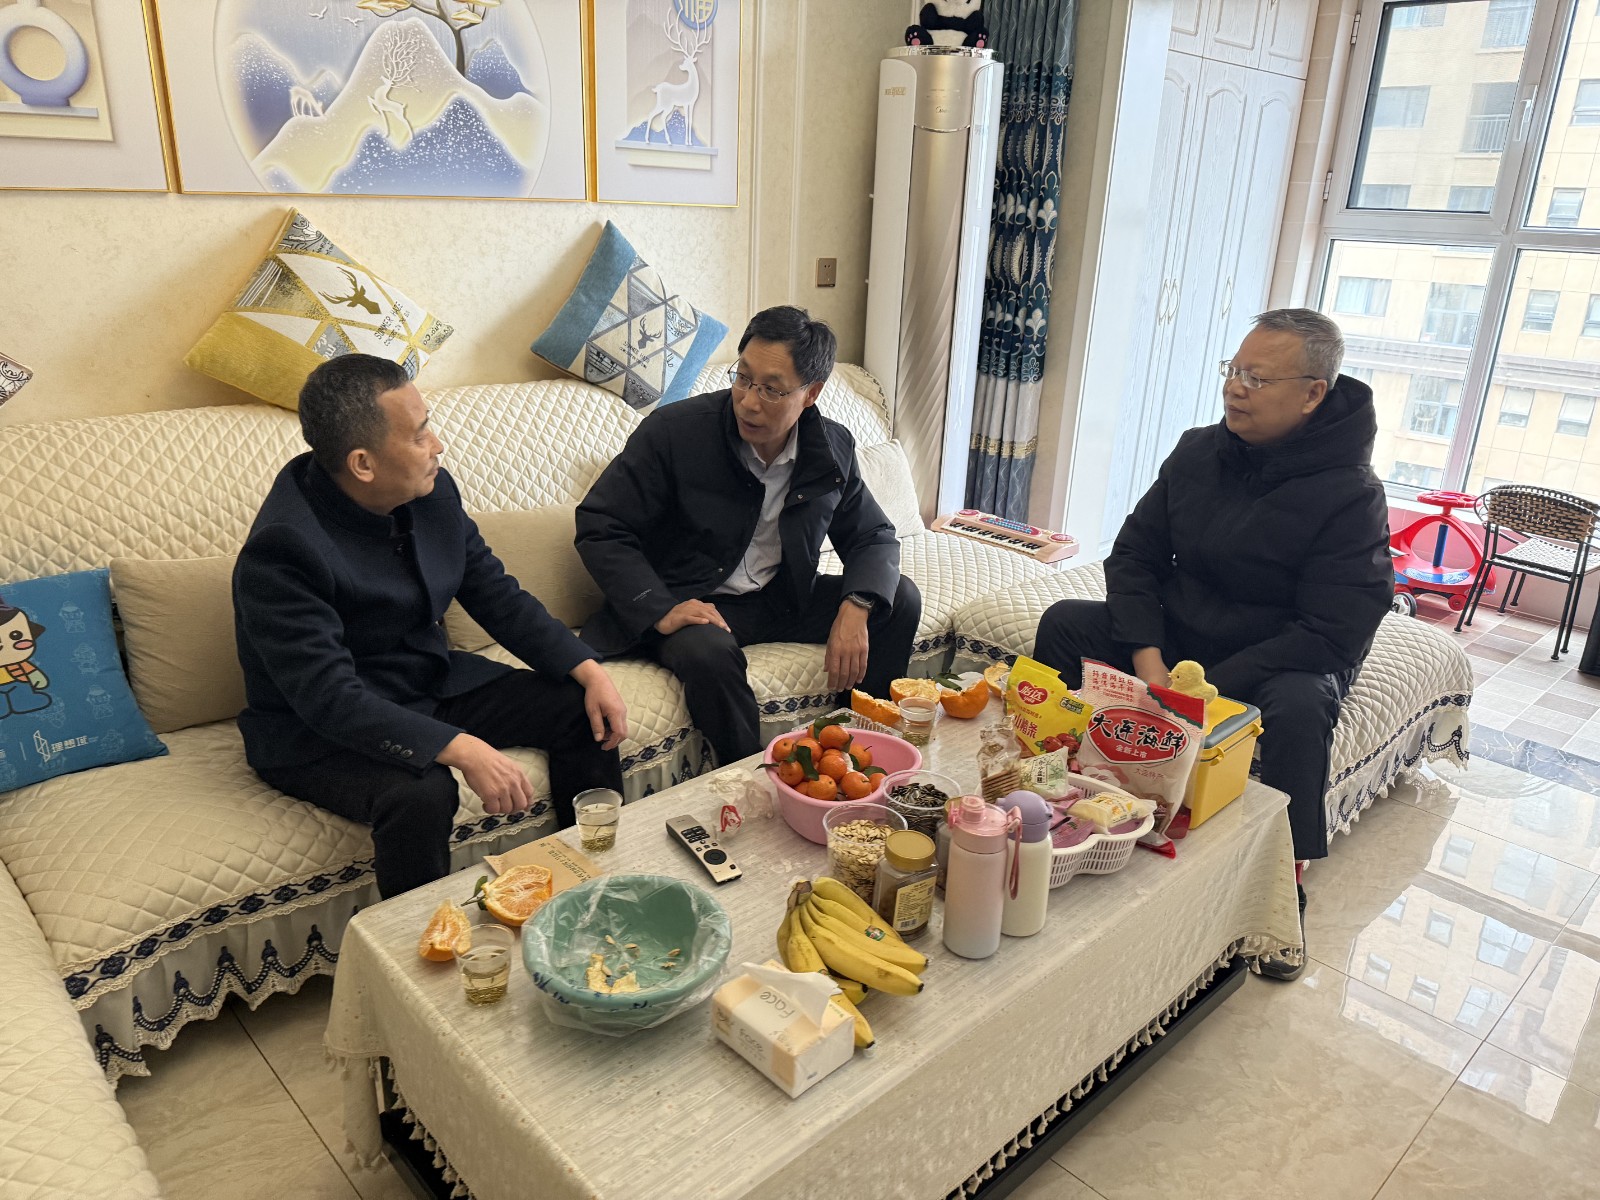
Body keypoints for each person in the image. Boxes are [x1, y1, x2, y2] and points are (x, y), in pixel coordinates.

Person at [1033, 308, 1391, 978]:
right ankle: (1058, 784)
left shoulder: (1352, 493)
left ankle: (1282, 878)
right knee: (1065, 623)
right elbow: (1134, 557)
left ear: (1313, 393)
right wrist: (1149, 660)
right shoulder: (1200, 450)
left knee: (1301, 708)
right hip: (1185, 632)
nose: (1235, 388)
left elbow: (1335, 629)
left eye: (1257, 378)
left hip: (1285, 650)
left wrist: (1208, 690)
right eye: (1234, 370)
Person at [234, 354, 628, 899]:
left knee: (582, 711)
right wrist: (460, 747)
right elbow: (327, 698)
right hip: (317, 730)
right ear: (363, 463)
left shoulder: (429, 491)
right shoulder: (283, 549)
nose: (438, 445)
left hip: (427, 682)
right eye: (420, 435)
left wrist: (588, 669)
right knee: (421, 792)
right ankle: (422, 940)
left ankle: (588, 885)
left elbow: (495, 593)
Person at [575, 306, 921, 766]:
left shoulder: (830, 447)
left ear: (811, 393)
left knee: (897, 598)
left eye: (772, 389)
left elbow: (872, 534)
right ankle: (754, 774)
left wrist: (856, 604)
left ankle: (857, 748)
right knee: (708, 654)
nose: (749, 402)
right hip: (692, 602)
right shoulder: (675, 432)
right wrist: (660, 608)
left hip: (781, 598)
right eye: (743, 378)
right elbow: (601, 525)